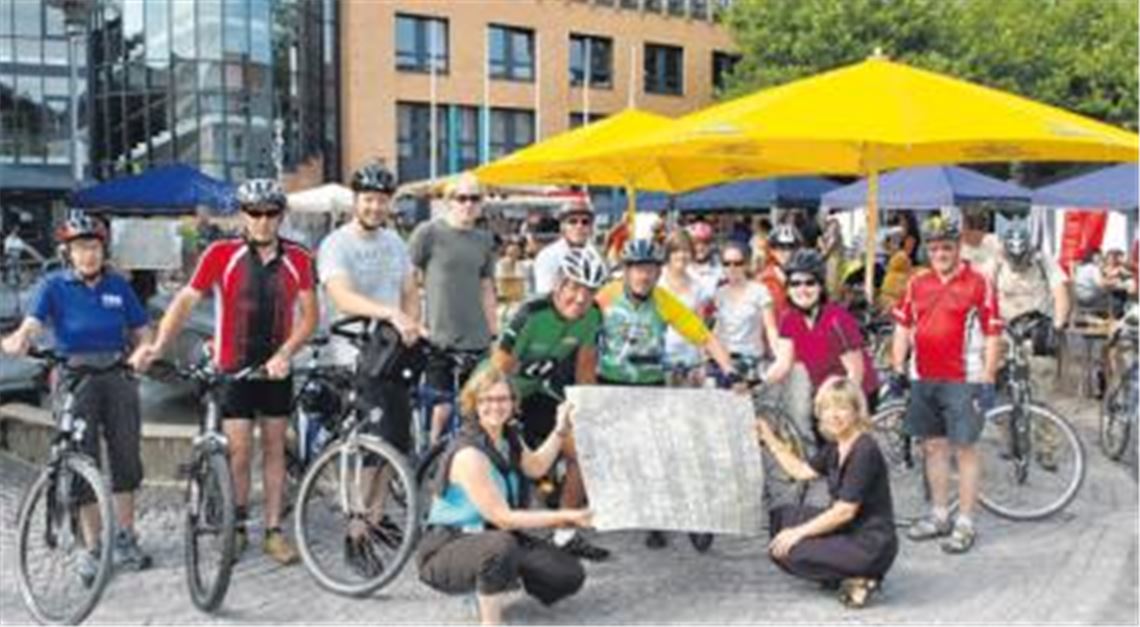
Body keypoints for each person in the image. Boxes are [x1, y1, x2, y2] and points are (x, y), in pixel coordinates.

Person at [130, 178, 318, 565]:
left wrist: (286, 353)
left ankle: (273, 530)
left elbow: (310, 317)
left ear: (280, 215)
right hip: (233, 367)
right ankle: (236, 525)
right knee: (238, 452)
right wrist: (160, 346)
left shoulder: (299, 257)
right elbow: (184, 301)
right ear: (242, 214)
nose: (263, 221)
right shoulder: (221, 252)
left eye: (270, 213)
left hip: (276, 368)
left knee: (274, 450)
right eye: (254, 213)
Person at [2, 211, 153, 577]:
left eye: (94, 247)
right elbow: (34, 323)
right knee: (81, 460)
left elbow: (142, 330)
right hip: (74, 379)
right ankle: (92, 545)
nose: (89, 254)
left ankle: (125, 537)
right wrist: (21, 339)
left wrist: (142, 353)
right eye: (81, 247)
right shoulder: (53, 286)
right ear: (68, 251)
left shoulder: (118, 286)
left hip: (117, 376)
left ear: (104, 250)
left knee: (126, 458)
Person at [317, 163, 425, 575]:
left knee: (393, 443)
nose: (376, 207)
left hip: (392, 352)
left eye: (382, 200)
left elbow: (409, 290)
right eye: (368, 199)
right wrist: (390, 315)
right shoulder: (336, 244)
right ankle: (355, 534)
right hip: (353, 353)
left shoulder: (395, 242)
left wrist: (410, 321)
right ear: (355, 200)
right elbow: (342, 296)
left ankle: (377, 519)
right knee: (367, 449)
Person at [417, 366, 589, 626]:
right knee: (500, 546)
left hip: (492, 536)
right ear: (474, 404)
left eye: (503, 399)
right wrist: (567, 516)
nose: (495, 406)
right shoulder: (469, 454)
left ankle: (492, 582)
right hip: (447, 547)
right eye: (487, 399)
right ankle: (490, 617)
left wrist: (560, 429)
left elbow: (537, 466)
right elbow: (505, 519)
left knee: (567, 573)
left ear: (513, 403)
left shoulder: (509, 437)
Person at [595, 238, 738, 549]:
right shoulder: (606, 296)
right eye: (636, 270)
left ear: (657, 272)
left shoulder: (663, 300)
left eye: (648, 270)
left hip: (650, 383)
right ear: (625, 271)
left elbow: (704, 335)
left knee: (659, 451)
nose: (642, 276)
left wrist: (729, 369)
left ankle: (667, 521)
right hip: (610, 383)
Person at [488, 247, 611, 561]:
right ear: (559, 284)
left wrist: (587, 411)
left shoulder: (593, 315)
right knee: (511, 463)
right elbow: (499, 365)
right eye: (575, 287)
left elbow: (585, 369)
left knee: (582, 450)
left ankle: (565, 533)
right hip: (496, 391)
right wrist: (512, 396)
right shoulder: (532, 313)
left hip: (538, 391)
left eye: (590, 291)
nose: (581, 298)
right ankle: (498, 535)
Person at [890, 215, 1002, 555]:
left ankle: (965, 521)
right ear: (928, 250)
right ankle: (939, 515)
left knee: (965, 450)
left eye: (947, 247)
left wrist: (988, 375)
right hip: (924, 376)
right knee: (933, 447)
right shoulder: (917, 283)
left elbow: (994, 331)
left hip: (963, 378)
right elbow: (903, 327)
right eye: (935, 248)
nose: (940, 253)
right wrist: (897, 366)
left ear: (958, 248)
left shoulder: (979, 282)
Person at [756, 376, 898, 608]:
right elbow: (801, 471)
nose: (834, 415)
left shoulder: (864, 449)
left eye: (842, 407)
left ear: (856, 411)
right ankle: (843, 570)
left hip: (870, 543)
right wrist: (768, 437)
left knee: (786, 550)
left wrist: (798, 533)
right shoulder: (836, 446)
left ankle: (861, 575)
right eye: (827, 408)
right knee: (781, 517)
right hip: (848, 530)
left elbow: (844, 512)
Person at [409, 173, 499, 445]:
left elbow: (486, 287)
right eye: (462, 198)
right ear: (449, 201)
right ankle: (433, 458)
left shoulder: (484, 240)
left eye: (475, 198)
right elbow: (408, 279)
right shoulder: (429, 233)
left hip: (477, 337)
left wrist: (495, 332)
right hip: (439, 336)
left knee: (476, 406)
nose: (468, 204)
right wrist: (415, 321)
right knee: (442, 407)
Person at [766, 249, 879, 442]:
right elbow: (783, 363)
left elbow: (855, 373)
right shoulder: (789, 319)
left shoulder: (837, 319)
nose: (802, 289)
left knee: (844, 446)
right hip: (823, 392)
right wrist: (759, 383)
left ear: (821, 286)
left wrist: (846, 410)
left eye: (810, 282)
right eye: (795, 283)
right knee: (819, 441)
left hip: (854, 390)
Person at [712, 241, 778, 378]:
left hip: (752, 361)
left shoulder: (760, 291)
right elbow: (717, 328)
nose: (732, 268)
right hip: (724, 362)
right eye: (727, 263)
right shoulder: (719, 293)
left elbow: (770, 327)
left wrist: (778, 355)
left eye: (737, 263)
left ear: (746, 264)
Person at [660, 230, 715, 386]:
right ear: (668, 254)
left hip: (689, 360)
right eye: (676, 251)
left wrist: (702, 362)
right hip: (661, 358)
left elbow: (700, 326)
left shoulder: (697, 285)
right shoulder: (657, 280)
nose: (682, 256)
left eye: (686, 251)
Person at [532, 199, 597, 295]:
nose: (579, 226)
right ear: (562, 227)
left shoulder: (596, 256)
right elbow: (544, 296)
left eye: (585, 222)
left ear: (591, 228)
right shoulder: (548, 257)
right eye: (572, 221)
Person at [758, 224, 803, 315]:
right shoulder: (765, 280)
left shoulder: (805, 275)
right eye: (780, 247)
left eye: (791, 247)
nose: (787, 253)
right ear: (771, 250)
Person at [958, 206, 1002, 280]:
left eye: (981, 226)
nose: (976, 232)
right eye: (971, 225)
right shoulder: (952, 247)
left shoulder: (995, 242)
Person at [687, 221, 723, 295]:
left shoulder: (719, 271)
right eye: (695, 244)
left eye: (705, 243)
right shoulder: (682, 269)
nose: (700, 248)